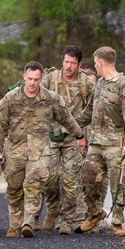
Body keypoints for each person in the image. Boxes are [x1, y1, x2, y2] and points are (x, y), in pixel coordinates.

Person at [0, 61, 85, 238]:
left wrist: (79, 135)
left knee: (34, 184)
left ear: (41, 79)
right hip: (15, 149)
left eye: (36, 79)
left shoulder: (51, 98)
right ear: (24, 77)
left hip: (40, 150)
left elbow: (67, 119)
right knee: (14, 187)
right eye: (30, 79)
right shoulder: (10, 99)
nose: (33, 83)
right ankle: (14, 223)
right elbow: (0, 125)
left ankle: (28, 222)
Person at [74, 47, 125, 237]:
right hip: (96, 143)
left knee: (117, 184)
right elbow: (89, 112)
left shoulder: (124, 85)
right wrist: (70, 125)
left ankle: (117, 222)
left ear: (101, 63)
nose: (95, 66)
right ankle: (96, 213)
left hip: (115, 144)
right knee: (87, 179)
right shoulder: (100, 84)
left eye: (95, 63)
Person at [40, 46, 95, 234]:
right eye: (66, 62)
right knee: (50, 178)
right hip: (51, 136)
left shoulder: (85, 83)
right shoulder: (50, 79)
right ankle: (52, 211)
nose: (68, 66)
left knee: (70, 180)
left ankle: (65, 220)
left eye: (72, 63)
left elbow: (95, 106)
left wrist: (84, 132)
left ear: (79, 65)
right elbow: (32, 95)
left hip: (74, 138)